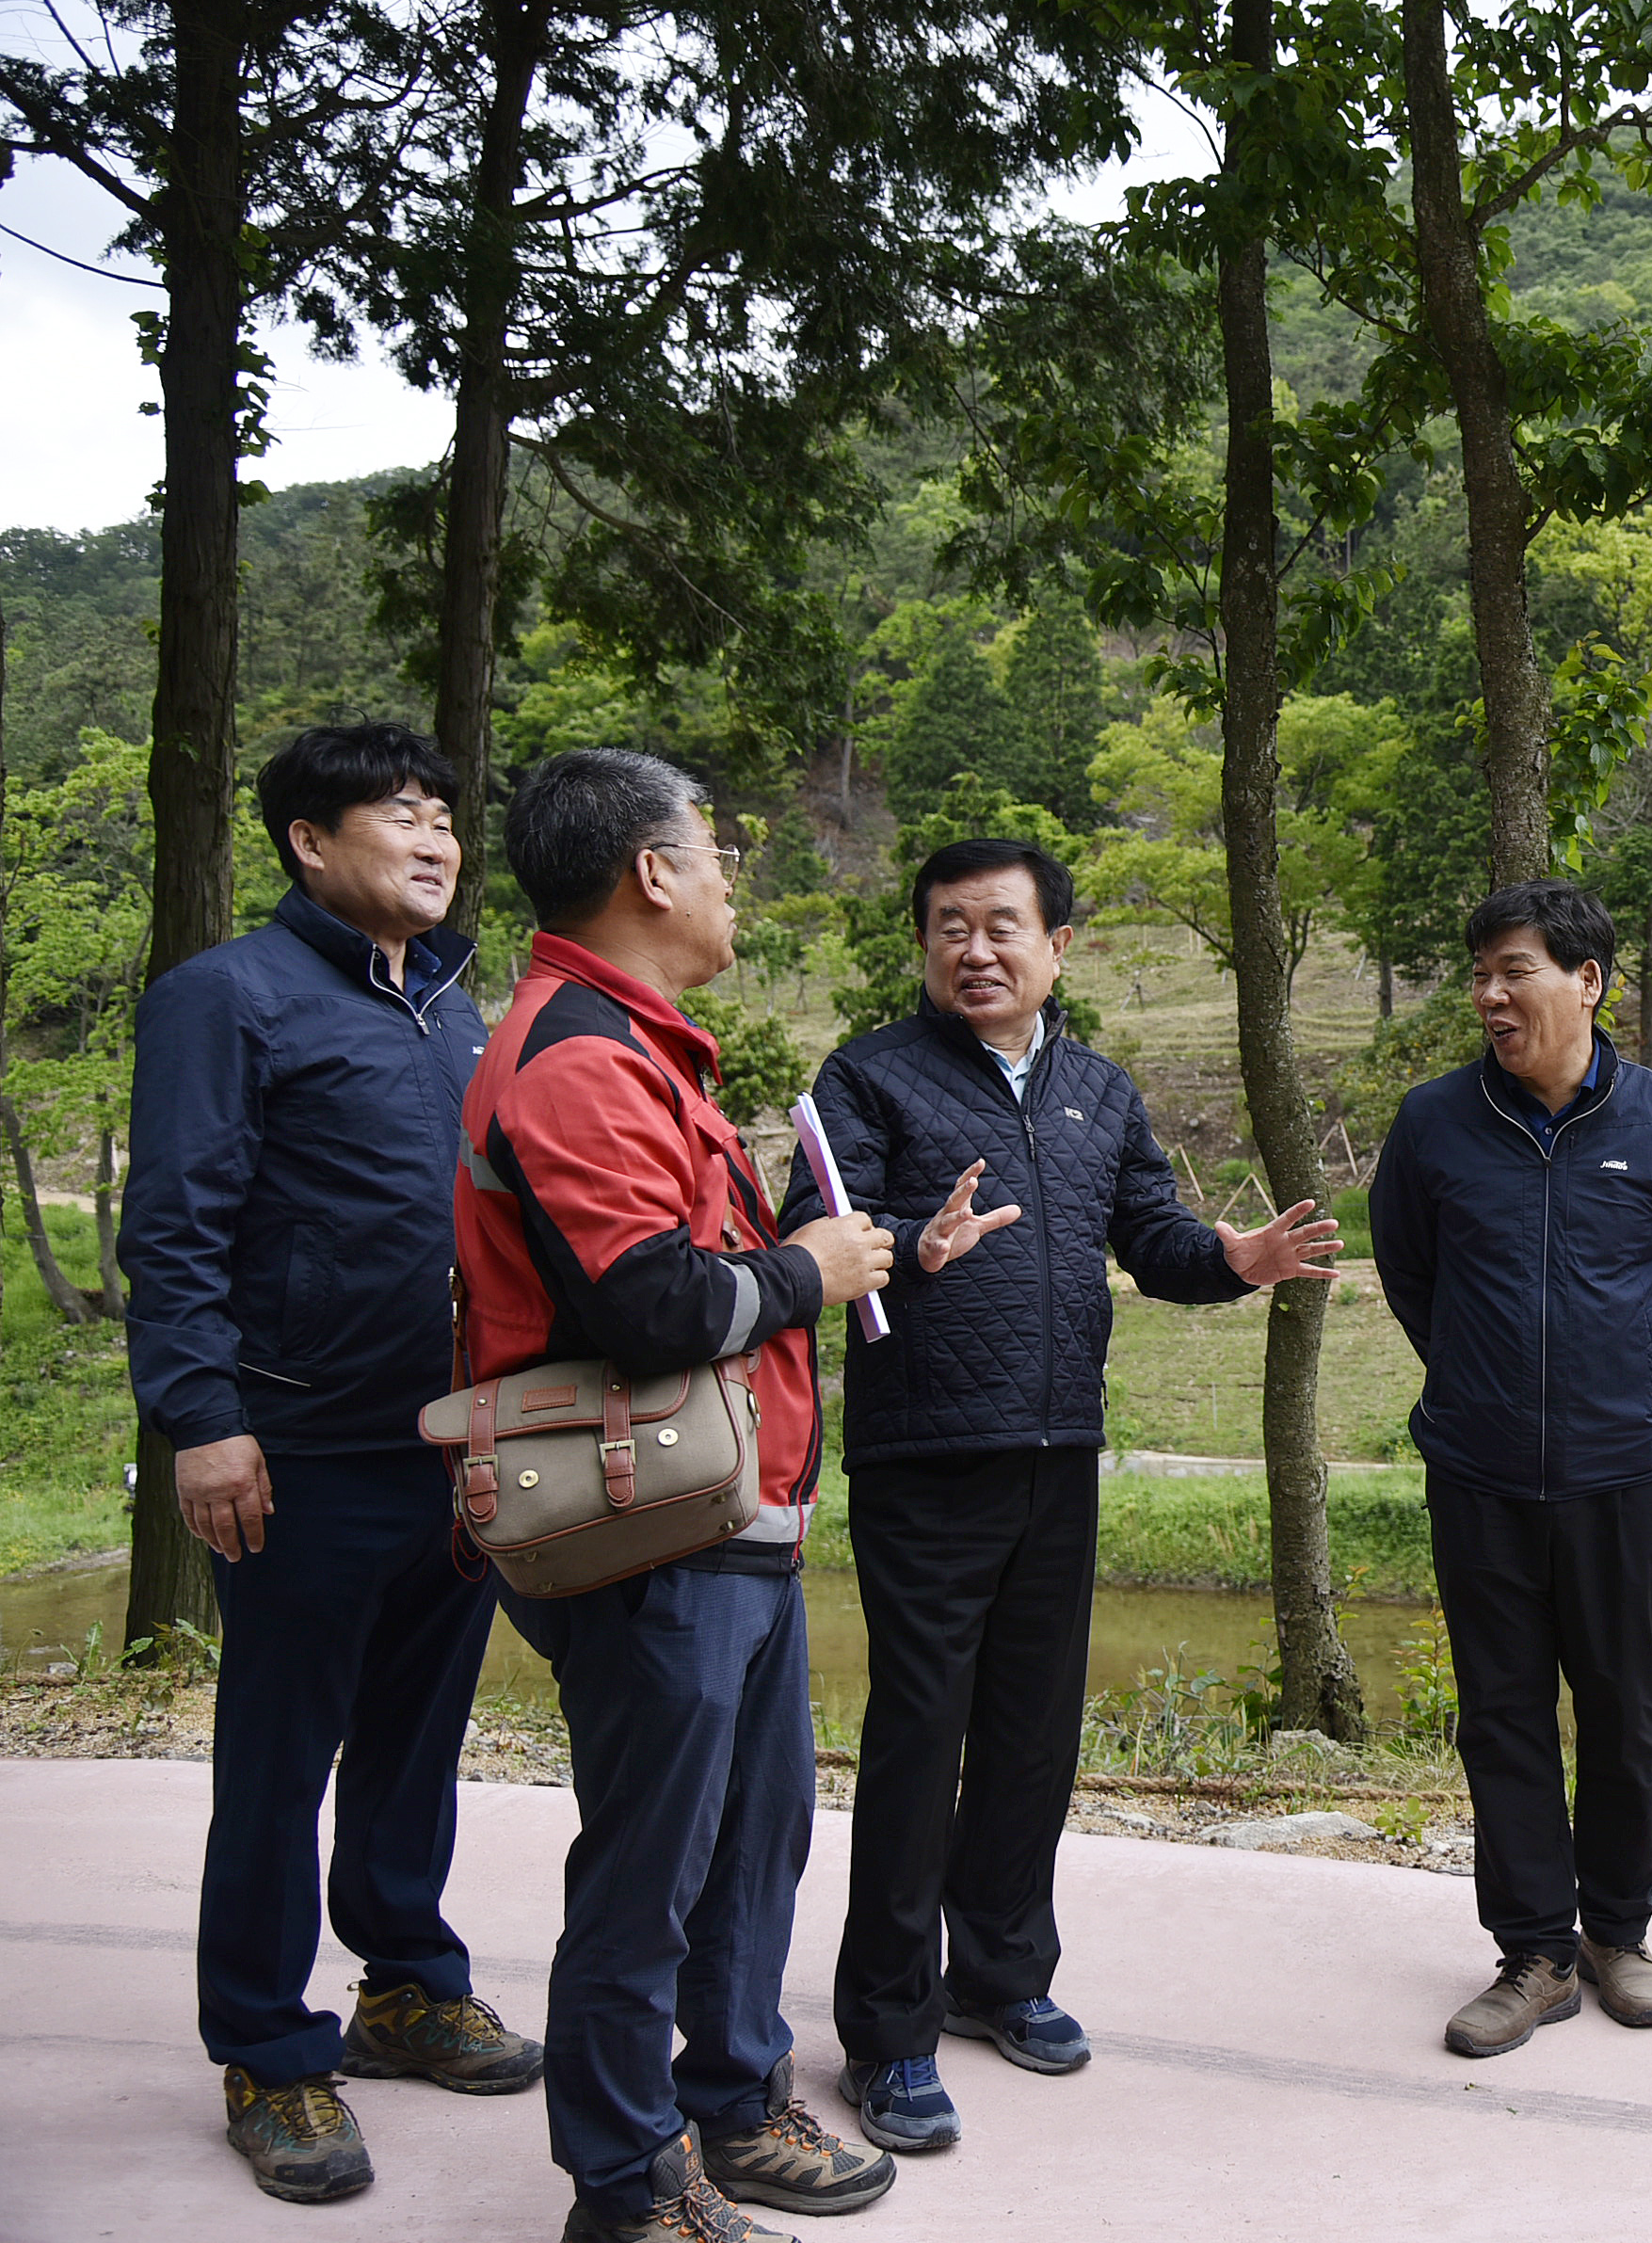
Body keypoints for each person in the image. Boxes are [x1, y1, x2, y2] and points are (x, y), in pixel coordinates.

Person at [783, 838, 1339, 2153]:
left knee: (1034, 1737)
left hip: (1055, 1453)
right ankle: (888, 2028)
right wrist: (907, 1251)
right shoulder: (869, 1074)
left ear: (1058, 946)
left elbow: (1149, 1238)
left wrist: (1231, 1258)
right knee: (921, 1742)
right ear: (923, 946)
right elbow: (810, 1224)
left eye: (1001, 926)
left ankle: (1002, 1976)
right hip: (926, 1459)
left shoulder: (1096, 1089)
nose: (975, 949)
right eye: (948, 927)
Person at [456, 748, 899, 2243]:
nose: (726, 882)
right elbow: (650, 1309)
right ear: (650, 874)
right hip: (653, 1541)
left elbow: (689, 1263)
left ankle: (734, 2098)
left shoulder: (647, 1049)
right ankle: (627, 2185)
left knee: (753, 1836)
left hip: (730, 1521)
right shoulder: (579, 1058)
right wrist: (806, 1273)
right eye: (711, 854)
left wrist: (842, 1258)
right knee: (651, 1866)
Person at [122, 722, 541, 2203]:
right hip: (297, 1445)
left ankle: (407, 1984)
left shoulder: (458, 1012)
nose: (435, 841)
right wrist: (204, 1417)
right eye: (400, 816)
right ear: (312, 842)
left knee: (418, 1738)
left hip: (457, 1443)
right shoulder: (226, 997)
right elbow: (173, 1227)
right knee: (279, 1756)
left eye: (445, 818)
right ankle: (266, 2050)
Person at [1368, 880, 1652, 2059]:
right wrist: (1487, 1380)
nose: (1489, 991)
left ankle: (1617, 1932)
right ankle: (1533, 1951)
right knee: (1503, 1712)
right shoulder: (1432, 1124)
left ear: (1588, 980)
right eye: (1479, 970)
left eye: (1514, 967)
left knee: (1628, 1707)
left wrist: (1619, 1376)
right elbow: (1411, 1276)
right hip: (1476, 1469)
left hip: (1617, 1470)